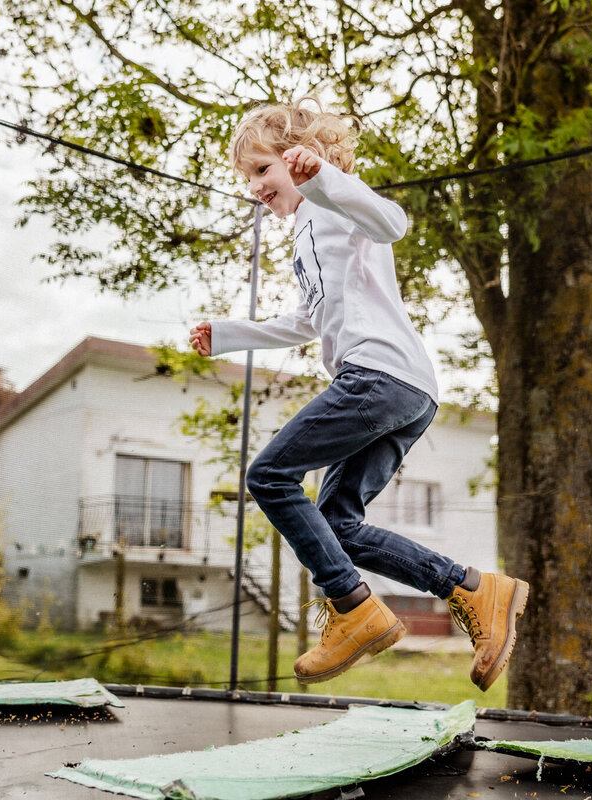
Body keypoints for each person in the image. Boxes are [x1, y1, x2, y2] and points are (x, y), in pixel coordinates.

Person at [190, 99, 528, 689]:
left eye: (261, 171)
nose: (255, 188)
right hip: (402, 389)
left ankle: (353, 608)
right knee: (337, 524)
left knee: (269, 476)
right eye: (249, 178)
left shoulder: (333, 198)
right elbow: (306, 321)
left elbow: (392, 221)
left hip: (378, 378)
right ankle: (474, 588)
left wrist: (324, 178)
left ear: (301, 156)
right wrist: (227, 335)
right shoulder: (305, 234)